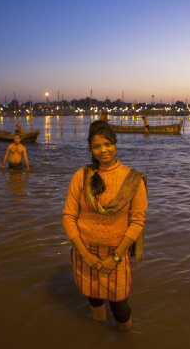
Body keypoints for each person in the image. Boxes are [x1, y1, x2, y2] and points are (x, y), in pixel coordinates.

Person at [62, 120, 147, 331]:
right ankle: (98, 337)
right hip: (85, 252)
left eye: (107, 144)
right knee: (94, 300)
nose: (103, 150)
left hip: (116, 254)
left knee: (120, 307)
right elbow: (68, 216)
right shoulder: (81, 177)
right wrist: (85, 254)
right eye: (97, 146)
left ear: (116, 144)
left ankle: (124, 341)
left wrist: (116, 257)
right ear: (91, 148)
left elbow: (137, 222)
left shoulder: (132, 179)